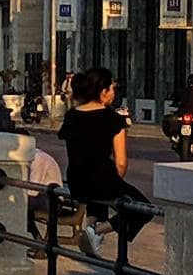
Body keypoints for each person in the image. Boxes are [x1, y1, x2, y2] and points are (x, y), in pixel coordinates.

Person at [56, 69, 149, 251]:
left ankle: (90, 229)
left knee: (96, 196)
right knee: (143, 207)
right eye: (112, 89)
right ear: (103, 91)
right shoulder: (113, 119)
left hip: (76, 180)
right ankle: (98, 230)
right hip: (102, 178)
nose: (114, 94)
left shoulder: (71, 116)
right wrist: (116, 182)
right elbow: (121, 162)